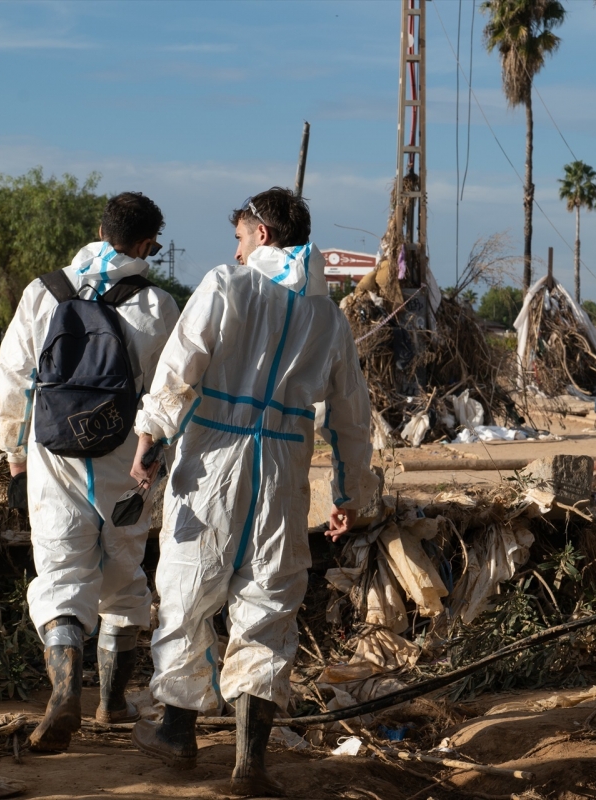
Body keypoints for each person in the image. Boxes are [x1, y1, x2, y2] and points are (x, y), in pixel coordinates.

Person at [128, 188, 375, 796]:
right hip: (286, 467)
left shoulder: (225, 285)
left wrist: (148, 441)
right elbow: (350, 414)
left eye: (240, 235)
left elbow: (178, 371)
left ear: (261, 234)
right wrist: (349, 492)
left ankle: (178, 733)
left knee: (187, 590)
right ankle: (250, 764)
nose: (234, 247)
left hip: (212, 458)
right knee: (269, 599)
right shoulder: (328, 314)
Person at [0, 192, 180, 752]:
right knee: (123, 571)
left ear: (100, 230)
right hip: (126, 455)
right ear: (148, 244)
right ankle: (111, 701)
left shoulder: (42, 291)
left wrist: (15, 455)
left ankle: (64, 688)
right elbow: (172, 392)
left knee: (58, 570)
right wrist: (161, 453)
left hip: (52, 452)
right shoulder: (156, 306)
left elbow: (15, 378)